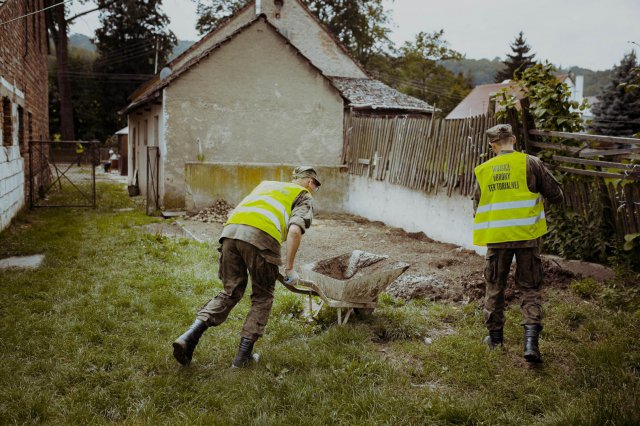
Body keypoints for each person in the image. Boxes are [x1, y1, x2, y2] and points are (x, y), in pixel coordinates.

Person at [172, 166, 320, 368]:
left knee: (229, 292)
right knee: (262, 297)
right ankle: (242, 359)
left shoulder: (267, 185)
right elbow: (295, 230)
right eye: (315, 186)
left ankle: (188, 337)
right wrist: (290, 268)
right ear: (311, 182)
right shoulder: (304, 196)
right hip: (261, 238)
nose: (315, 189)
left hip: (230, 234)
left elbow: (237, 211)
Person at [473, 124, 563, 363]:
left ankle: (495, 340)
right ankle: (531, 344)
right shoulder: (531, 163)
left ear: (492, 146)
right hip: (527, 237)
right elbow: (556, 195)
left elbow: (477, 208)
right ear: (513, 139)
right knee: (530, 288)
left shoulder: (483, 170)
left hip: (497, 239)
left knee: (495, 287)